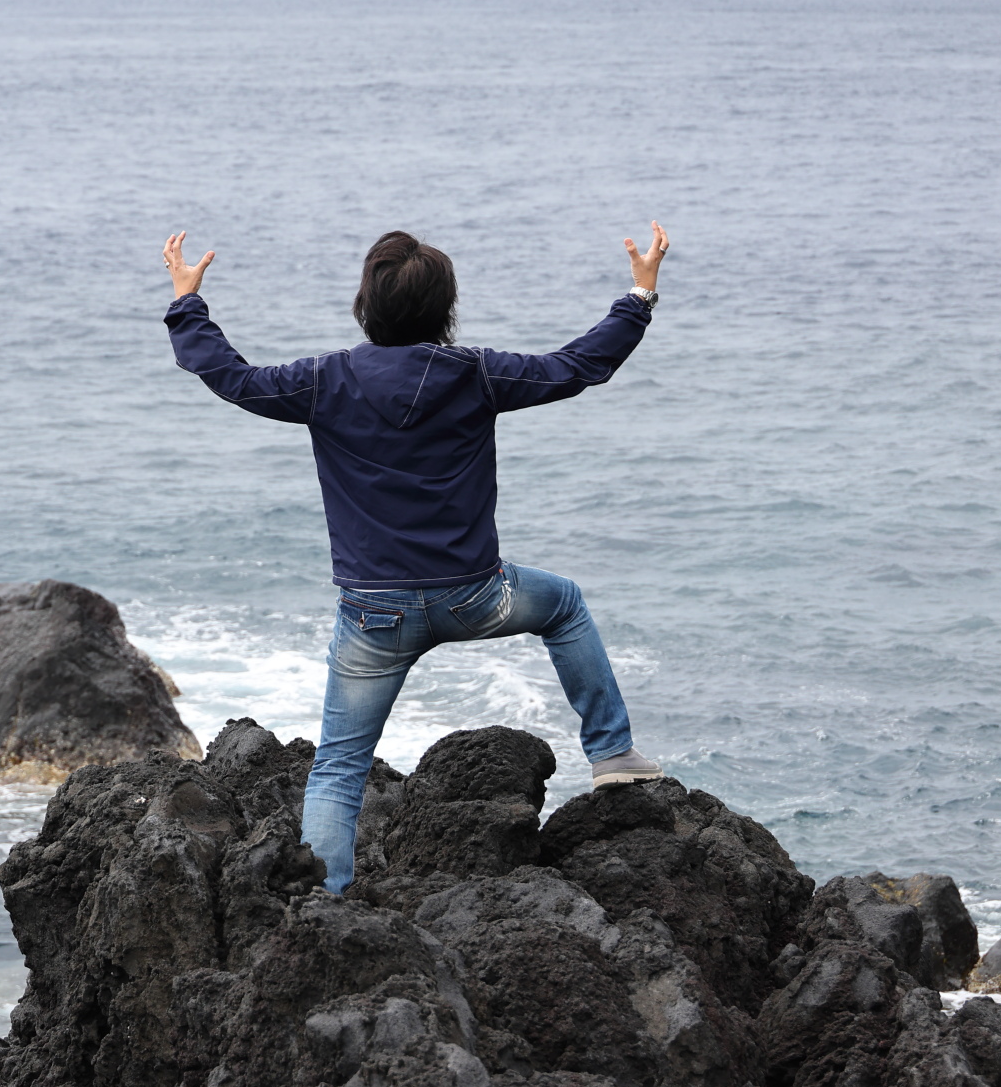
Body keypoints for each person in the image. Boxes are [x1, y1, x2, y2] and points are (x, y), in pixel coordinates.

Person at [159, 224, 670, 894]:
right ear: (444, 309)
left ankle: (328, 905)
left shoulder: (323, 381)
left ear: (365, 305)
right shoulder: (476, 374)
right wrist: (639, 294)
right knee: (563, 604)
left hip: (374, 617)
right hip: (475, 596)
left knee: (340, 769)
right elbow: (579, 365)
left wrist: (187, 303)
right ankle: (611, 754)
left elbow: (229, 376)